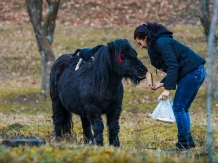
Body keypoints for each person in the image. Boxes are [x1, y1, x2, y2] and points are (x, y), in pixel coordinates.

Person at [134, 22, 206, 151]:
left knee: (178, 107)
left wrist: (167, 90)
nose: (140, 47)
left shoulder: (162, 43)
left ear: (145, 37)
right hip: (196, 71)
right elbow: (177, 66)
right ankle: (188, 143)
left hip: (193, 73)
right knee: (183, 108)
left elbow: (173, 66)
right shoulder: (159, 43)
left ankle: (184, 144)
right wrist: (161, 83)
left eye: (139, 43)